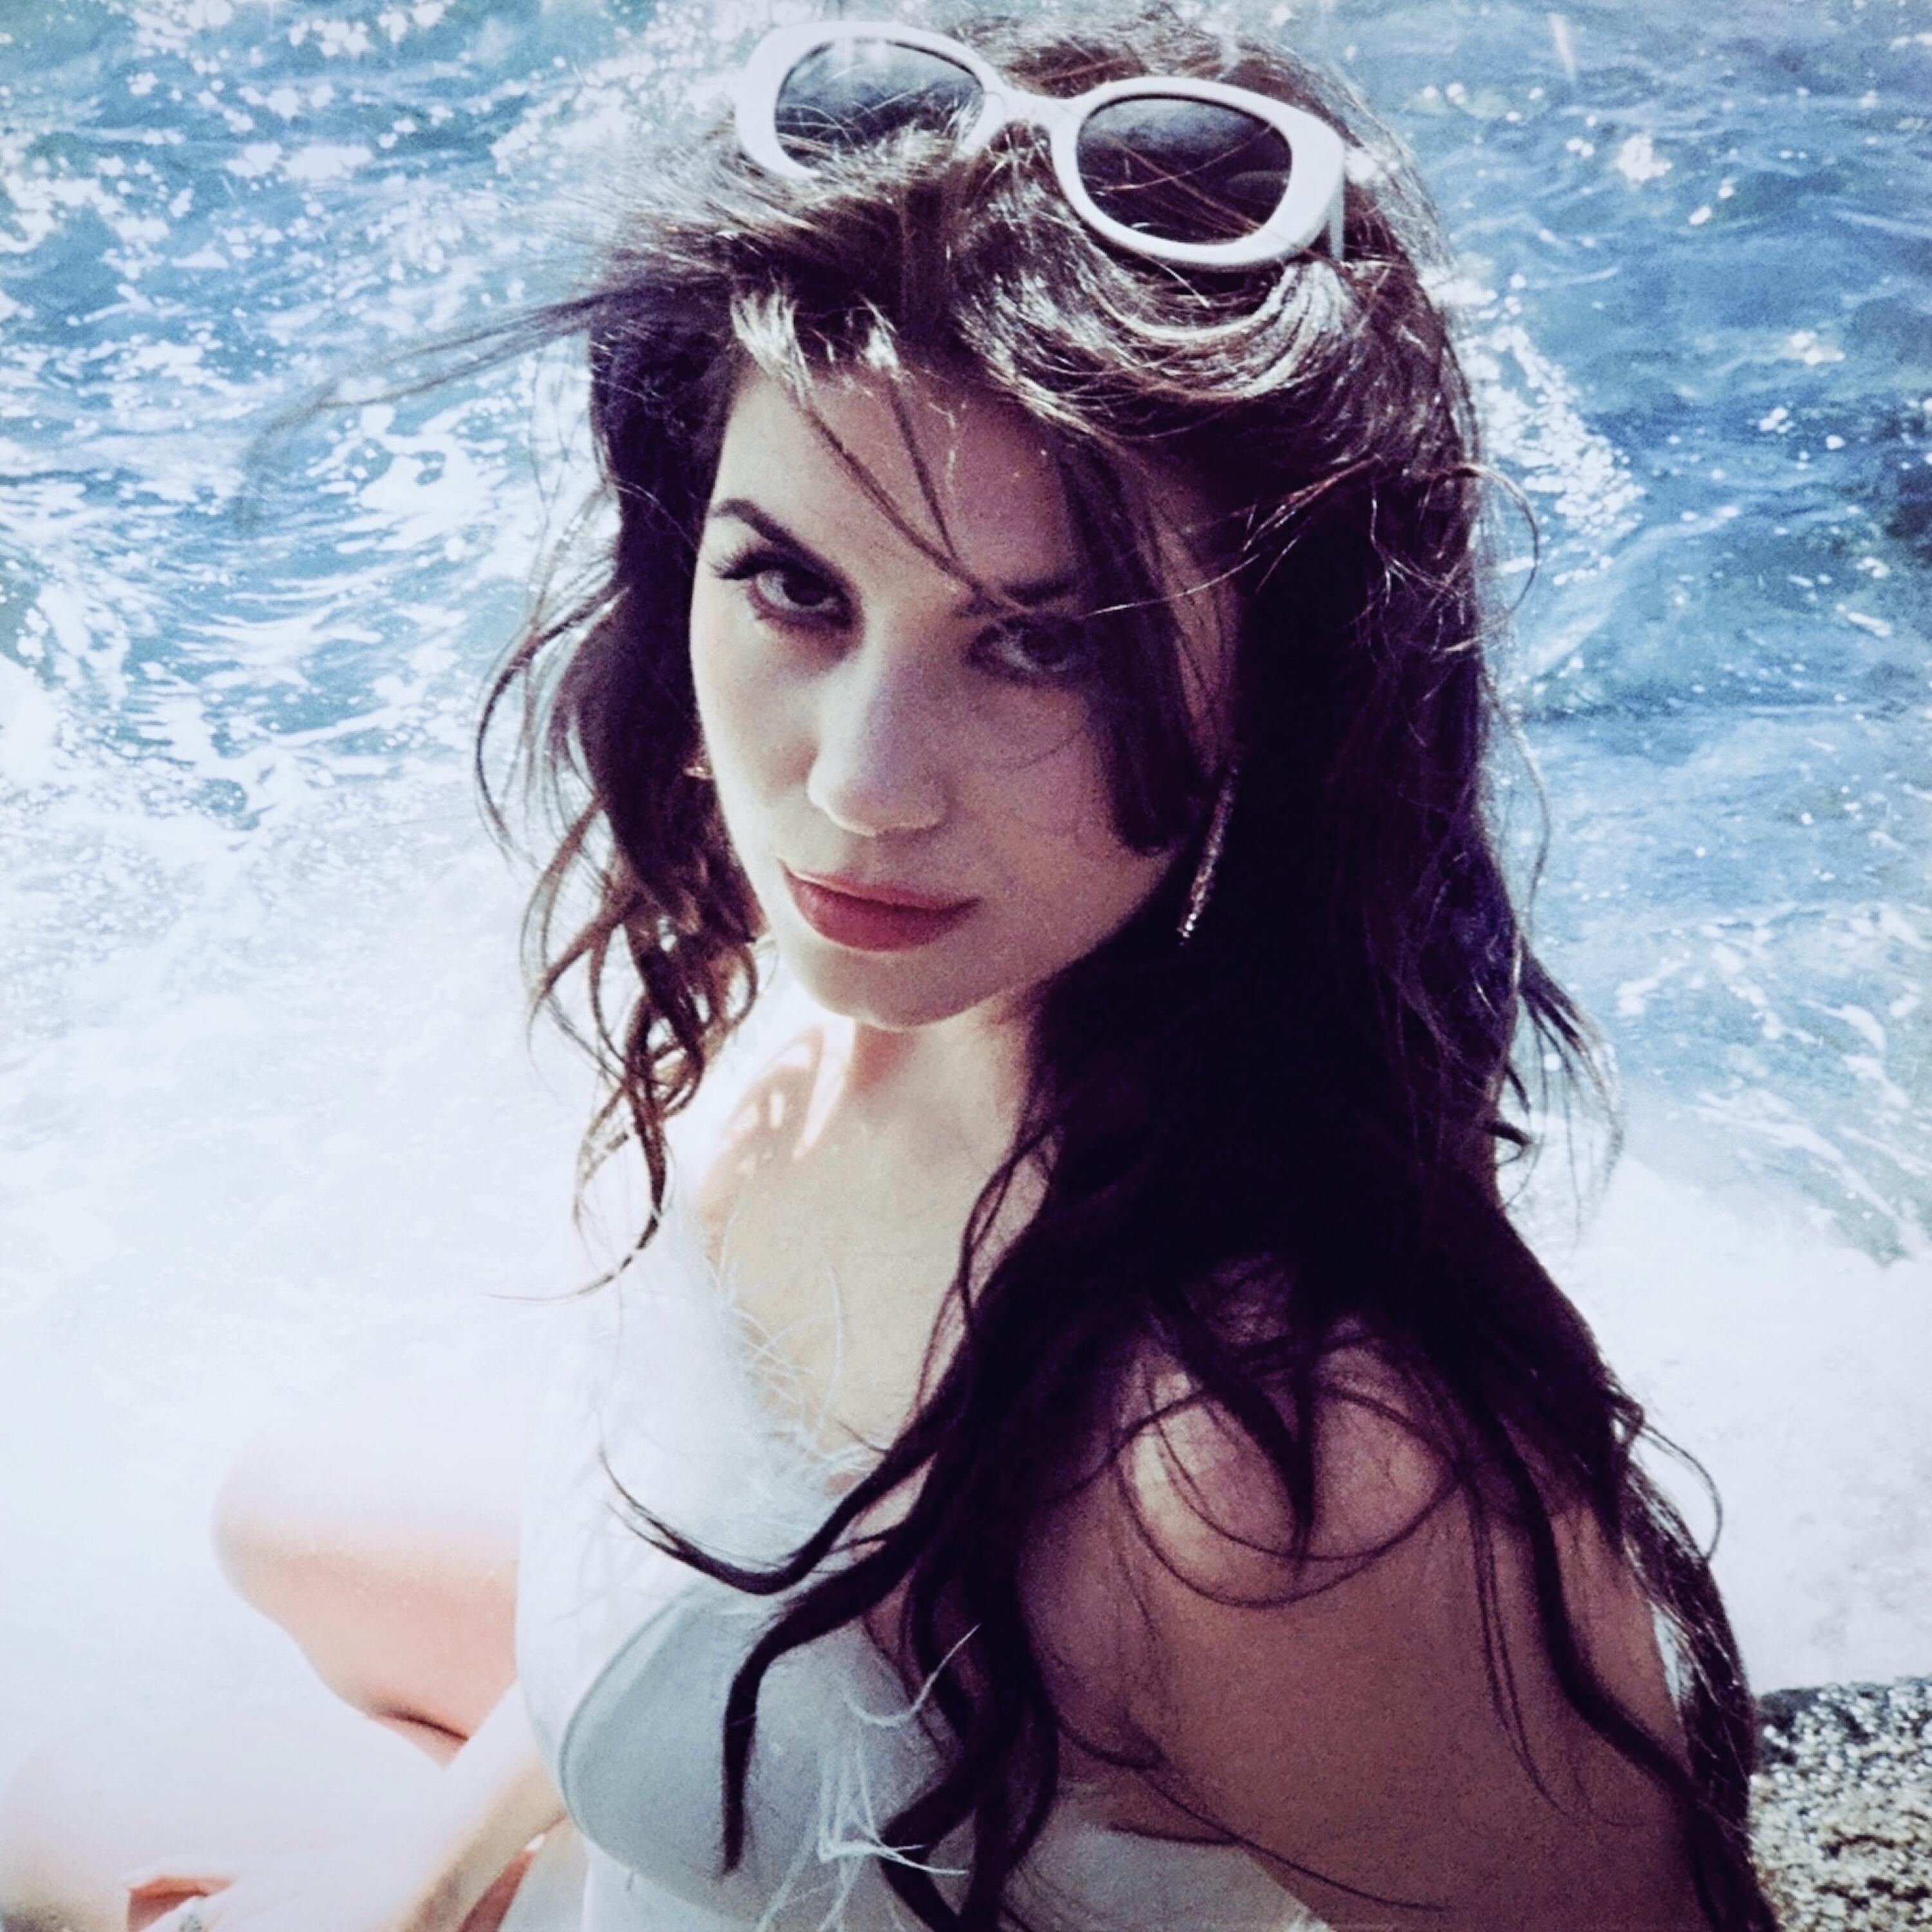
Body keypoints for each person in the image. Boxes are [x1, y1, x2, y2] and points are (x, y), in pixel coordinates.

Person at [0, 10, 1779, 1931]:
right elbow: (712, 1594)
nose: (855, 792)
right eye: (795, 585)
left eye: (1045, 643)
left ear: (1280, 697)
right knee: (284, 1509)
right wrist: (410, 1888)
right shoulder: (846, 985)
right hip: (696, 1831)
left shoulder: (1275, 1484)